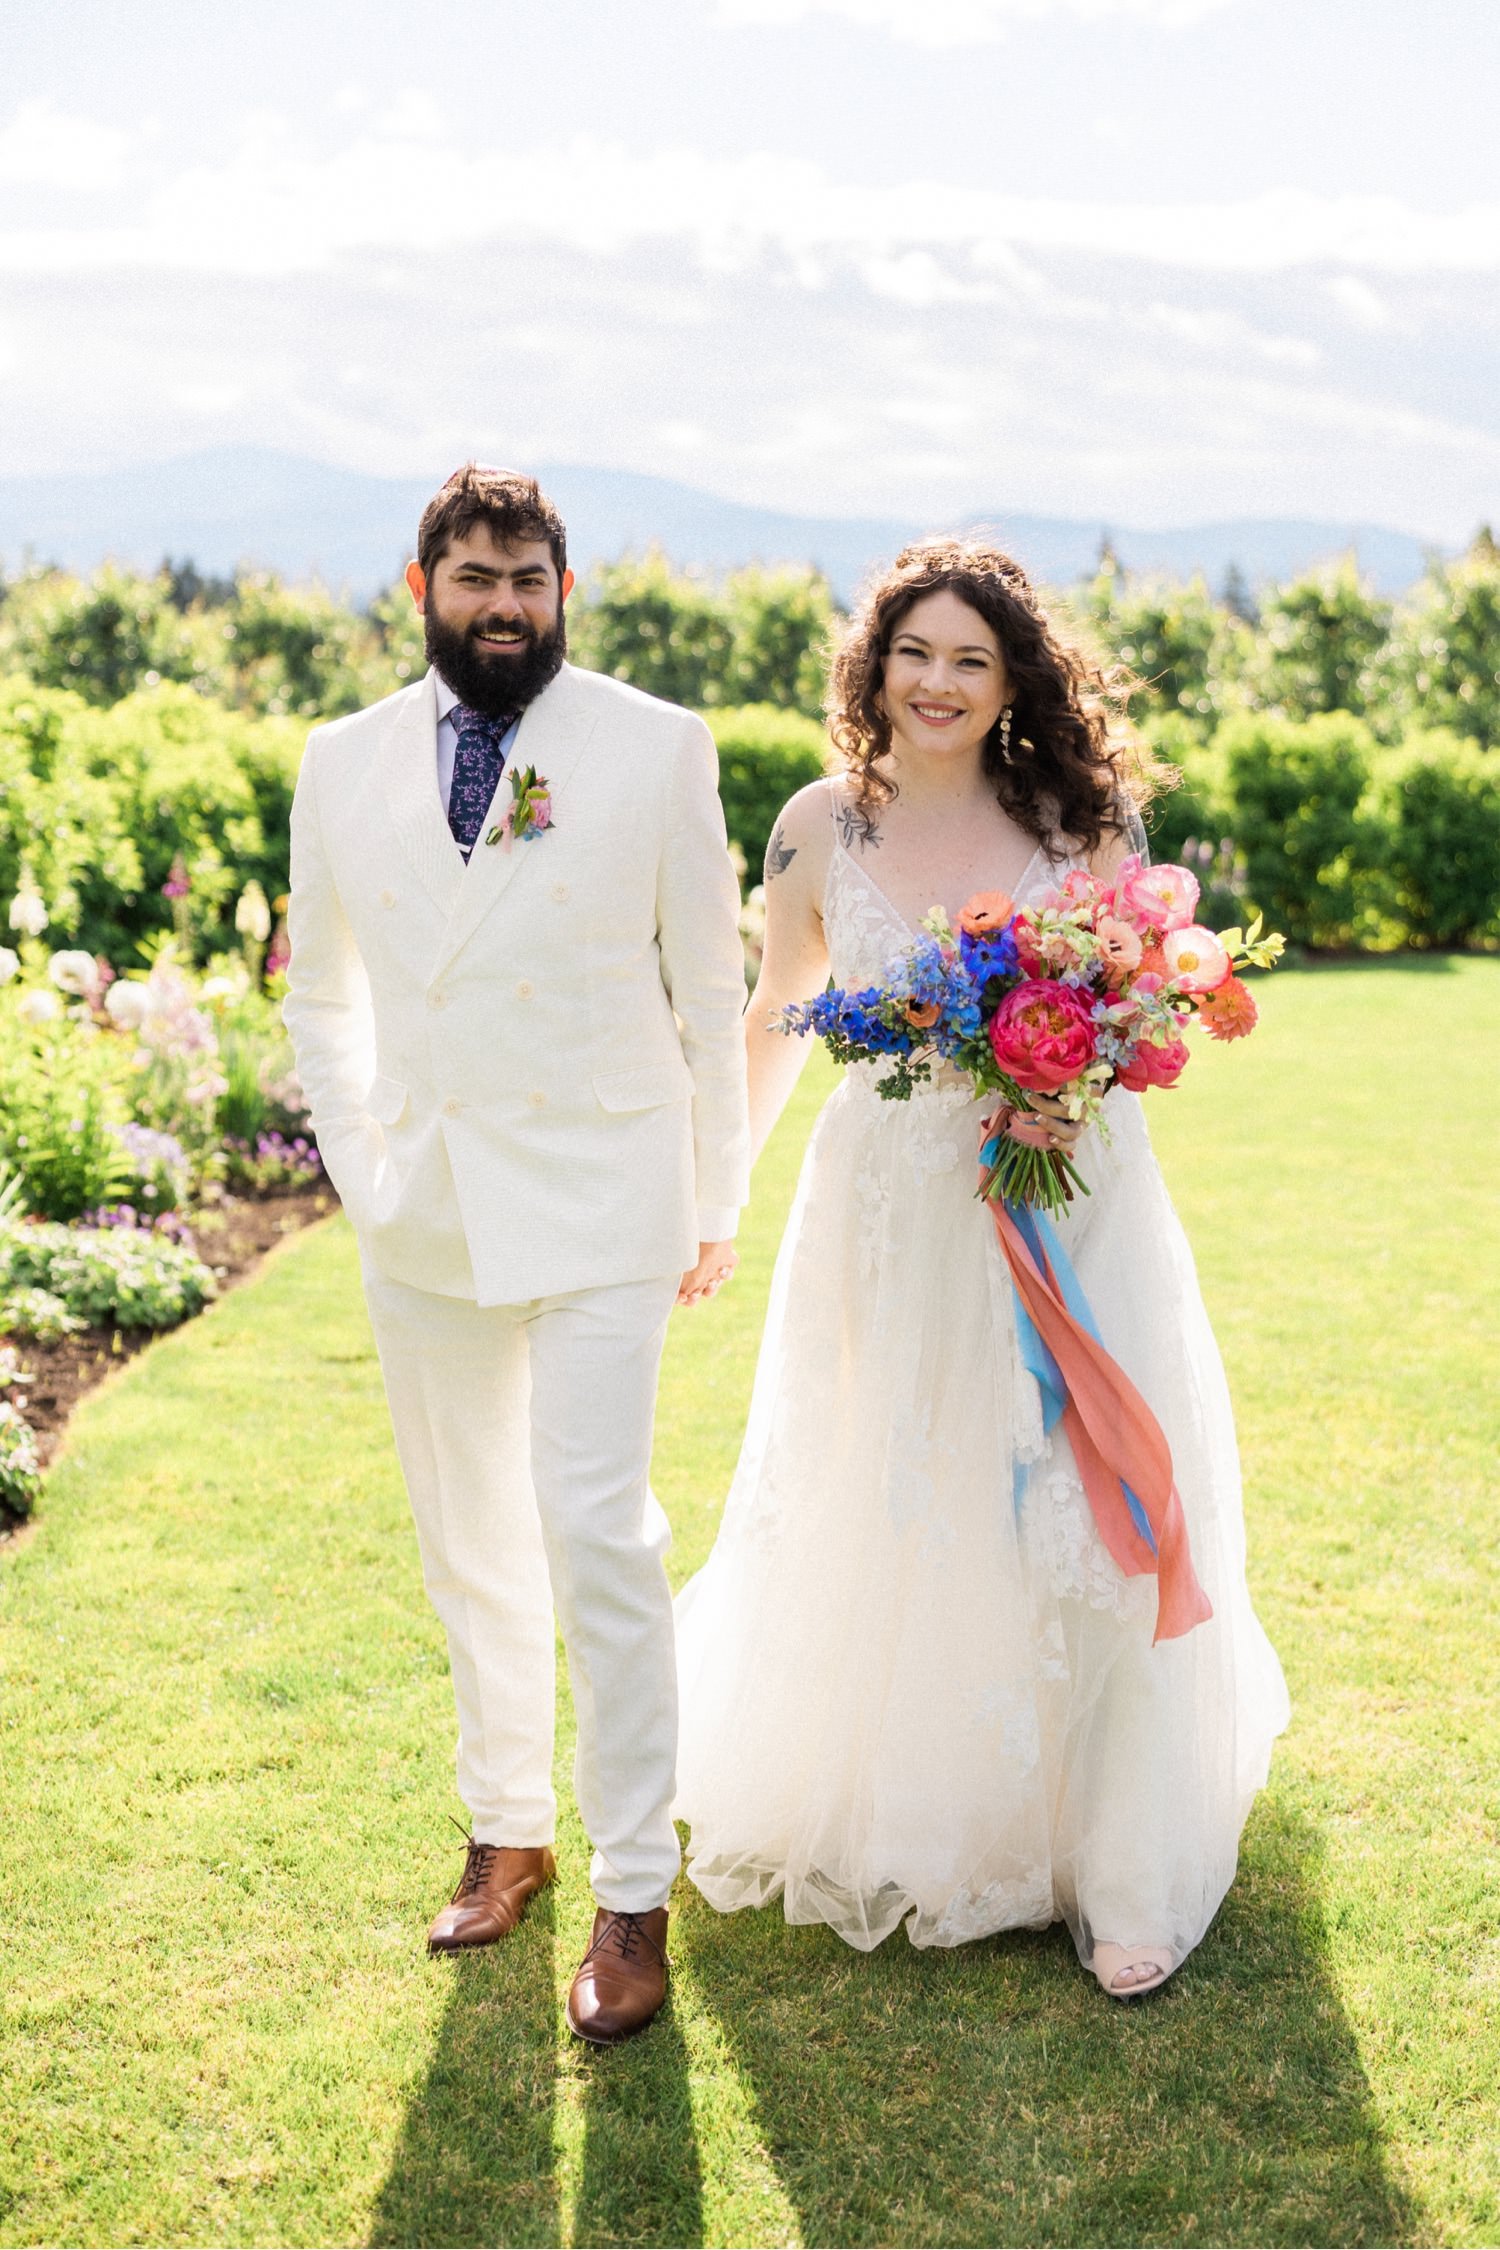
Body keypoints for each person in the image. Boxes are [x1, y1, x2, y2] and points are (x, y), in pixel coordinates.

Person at [674, 538, 1288, 1999]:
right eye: (915, 653)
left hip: (1065, 1194)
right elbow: (778, 1009)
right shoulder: (817, 828)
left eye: (972, 659)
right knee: (903, 1478)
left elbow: (1137, 1001)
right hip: (888, 1204)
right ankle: (933, 1814)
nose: (938, 683)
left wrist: (1066, 1089)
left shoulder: (1079, 819)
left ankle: (1115, 1851)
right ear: (872, 667)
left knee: (1079, 1498)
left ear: (1013, 679)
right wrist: (720, 1194)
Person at [283, 463, 750, 2044]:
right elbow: (319, 994)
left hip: (610, 1191)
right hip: (425, 1204)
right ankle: (507, 1830)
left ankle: (632, 1885)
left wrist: (717, 1197)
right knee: (465, 1536)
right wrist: (364, 1162)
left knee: (597, 1532)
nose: (504, 605)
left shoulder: (654, 744)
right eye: (475, 578)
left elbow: (710, 990)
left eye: (529, 579)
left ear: (565, 590)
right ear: (423, 589)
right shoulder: (337, 762)